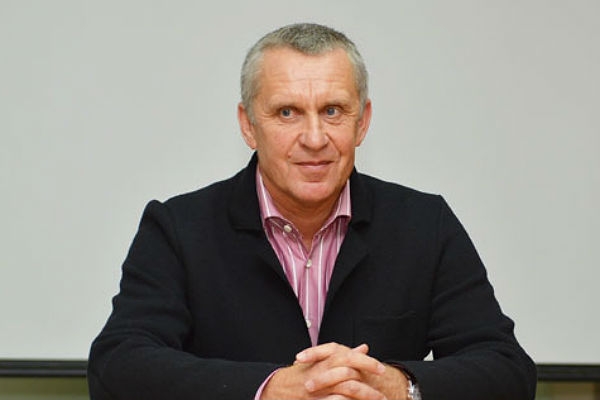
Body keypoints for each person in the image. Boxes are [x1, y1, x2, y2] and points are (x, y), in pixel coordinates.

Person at [88, 23, 537, 400]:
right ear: (248, 125)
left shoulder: (424, 224)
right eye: (287, 112)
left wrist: (398, 385)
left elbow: (508, 370)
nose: (315, 138)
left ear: (362, 122)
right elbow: (118, 365)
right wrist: (268, 389)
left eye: (333, 111)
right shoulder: (178, 229)